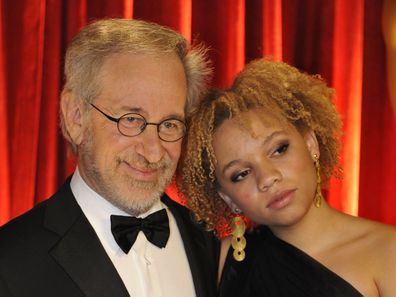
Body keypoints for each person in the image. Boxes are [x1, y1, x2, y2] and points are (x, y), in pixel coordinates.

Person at [0, 19, 219, 297]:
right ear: (75, 117)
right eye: (130, 119)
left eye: (169, 124)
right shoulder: (9, 263)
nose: (153, 152)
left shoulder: (210, 243)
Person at [178, 58, 396, 296]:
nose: (267, 178)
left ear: (310, 143)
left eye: (279, 150)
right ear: (228, 198)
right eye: (241, 174)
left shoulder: (388, 251)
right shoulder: (218, 264)